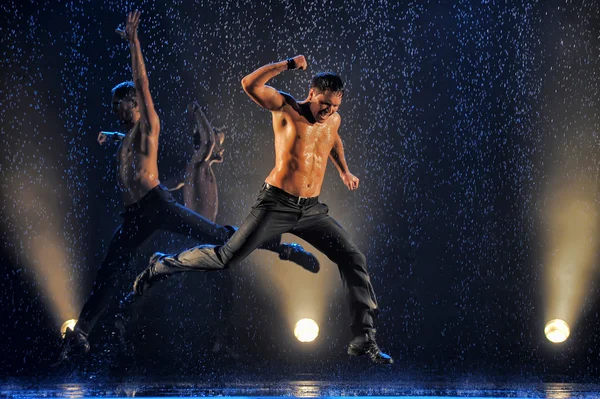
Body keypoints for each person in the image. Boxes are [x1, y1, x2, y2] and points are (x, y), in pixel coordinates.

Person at [57, 13, 317, 363]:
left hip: (155, 204)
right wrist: (113, 136)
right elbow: (127, 143)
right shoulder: (126, 136)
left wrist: (134, 41)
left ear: (133, 104)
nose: (113, 109)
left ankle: (283, 249)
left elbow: (142, 80)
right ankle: (82, 335)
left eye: (118, 104)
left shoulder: (149, 123)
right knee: (109, 269)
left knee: (217, 235)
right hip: (134, 215)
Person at [133, 55, 393, 364]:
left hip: (311, 210)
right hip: (276, 204)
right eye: (324, 103)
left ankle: (364, 338)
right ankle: (161, 265)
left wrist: (344, 171)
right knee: (224, 258)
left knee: (353, 258)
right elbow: (249, 84)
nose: (329, 111)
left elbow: (333, 141)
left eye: (335, 106)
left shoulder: (332, 120)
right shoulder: (285, 108)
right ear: (311, 94)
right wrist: (287, 65)